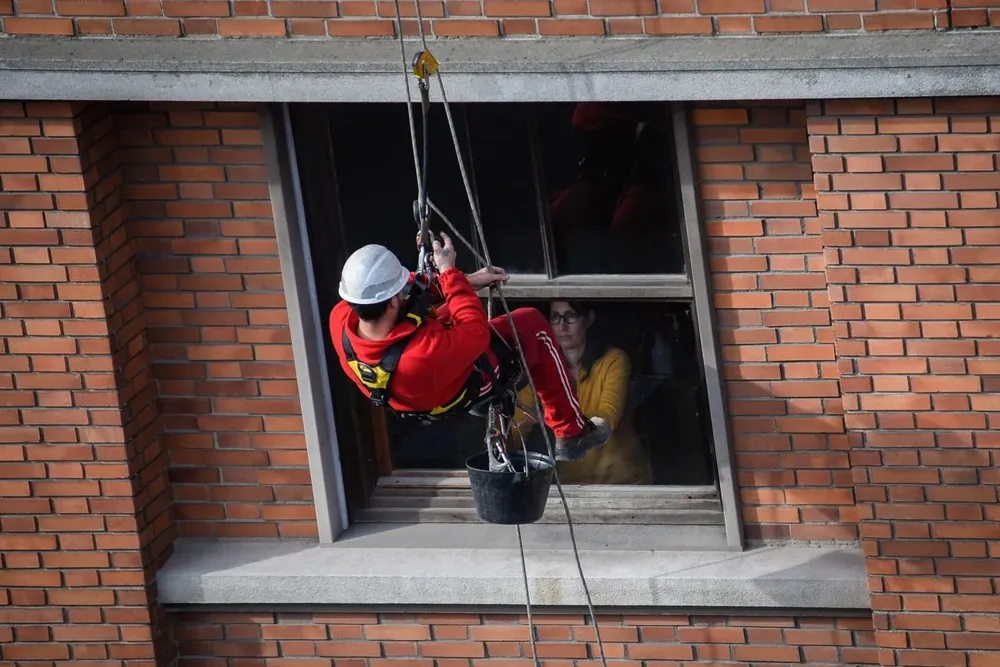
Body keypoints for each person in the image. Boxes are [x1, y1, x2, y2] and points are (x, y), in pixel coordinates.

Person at [329, 232, 611, 462]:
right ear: (392, 302)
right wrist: (449, 272)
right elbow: (475, 330)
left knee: (441, 314)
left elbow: (412, 294)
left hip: (414, 378)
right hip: (454, 388)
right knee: (533, 325)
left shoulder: (341, 318)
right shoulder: (425, 353)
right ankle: (571, 431)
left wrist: (466, 281)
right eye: (399, 293)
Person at [518, 301, 651, 485]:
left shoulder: (613, 360)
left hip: (622, 478)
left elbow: (607, 414)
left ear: (588, 319)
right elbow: (518, 420)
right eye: (555, 318)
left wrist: (577, 429)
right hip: (571, 481)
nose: (562, 326)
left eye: (571, 316)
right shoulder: (541, 367)